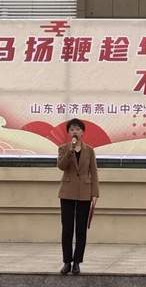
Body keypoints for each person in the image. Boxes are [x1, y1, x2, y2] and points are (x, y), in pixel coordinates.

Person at [57, 118, 100, 275]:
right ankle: (66, 262)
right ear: (69, 133)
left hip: (84, 193)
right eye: (72, 129)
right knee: (67, 229)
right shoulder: (63, 148)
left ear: (82, 132)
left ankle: (77, 262)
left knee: (81, 229)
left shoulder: (90, 150)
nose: (74, 131)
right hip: (67, 192)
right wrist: (70, 151)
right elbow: (61, 166)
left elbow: (94, 172)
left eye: (77, 129)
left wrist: (95, 193)